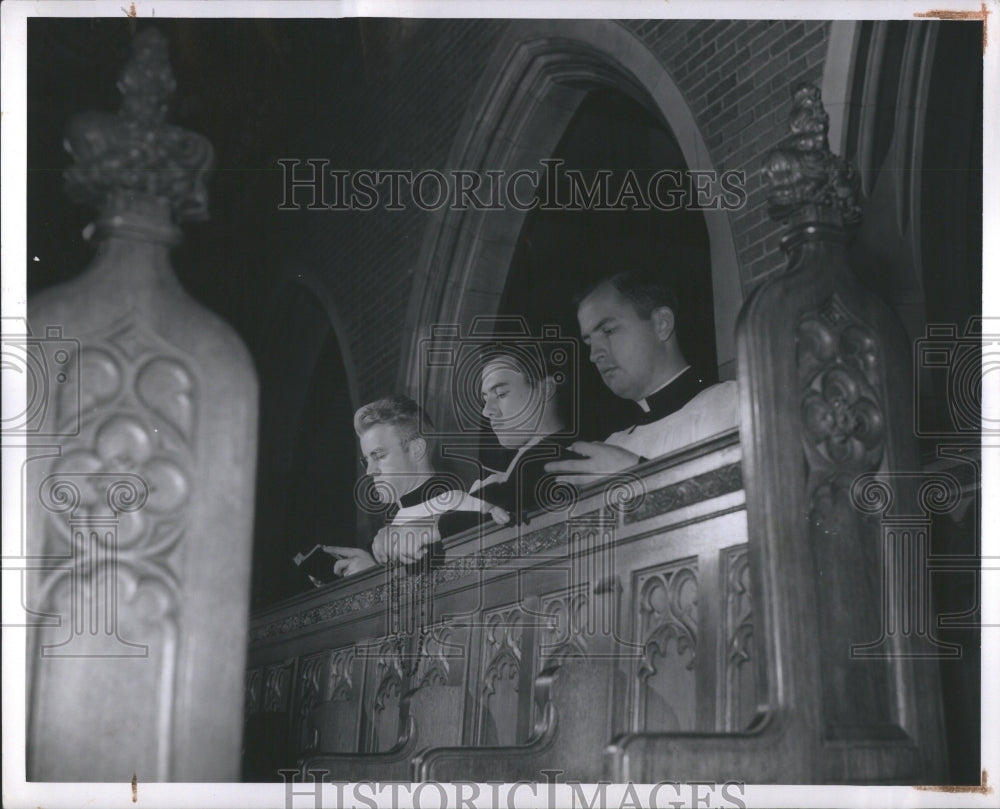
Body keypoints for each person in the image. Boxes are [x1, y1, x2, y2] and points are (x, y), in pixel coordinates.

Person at [546, 270, 738, 480]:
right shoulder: (612, 447)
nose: (594, 355)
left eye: (608, 331)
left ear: (661, 324)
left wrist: (638, 476)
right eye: (589, 342)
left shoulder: (735, 404)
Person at [324, 395, 509, 576]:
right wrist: (369, 570)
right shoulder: (384, 535)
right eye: (366, 461)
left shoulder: (467, 506)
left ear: (416, 449)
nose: (369, 471)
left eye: (378, 456)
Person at [470, 343, 581, 521]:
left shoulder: (557, 459)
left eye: (501, 394)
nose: (487, 411)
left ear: (546, 390)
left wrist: (484, 498)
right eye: (485, 399)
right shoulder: (520, 468)